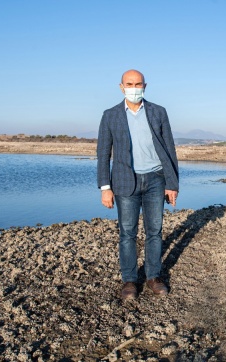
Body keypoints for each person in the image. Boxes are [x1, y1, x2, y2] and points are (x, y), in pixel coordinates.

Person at [97, 69, 179, 300]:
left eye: (138, 84)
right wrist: (105, 188)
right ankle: (130, 281)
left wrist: (172, 184)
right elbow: (103, 154)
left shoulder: (158, 112)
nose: (134, 88)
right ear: (121, 87)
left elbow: (170, 149)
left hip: (155, 179)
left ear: (145, 86)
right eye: (129, 84)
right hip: (125, 181)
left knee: (155, 231)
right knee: (127, 233)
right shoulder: (110, 115)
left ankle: (153, 277)